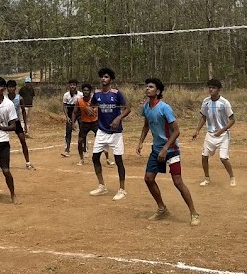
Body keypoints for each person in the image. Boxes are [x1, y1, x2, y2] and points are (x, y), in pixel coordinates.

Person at [136, 78, 200, 225]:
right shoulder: (146, 107)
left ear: (158, 91)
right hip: (156, 150)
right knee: (148, 179)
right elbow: (146, 125)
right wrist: (140, 142)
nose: (147, 89)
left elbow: (177, 131)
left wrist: (165, 149)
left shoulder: (165, 108)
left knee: (177, 182)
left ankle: (194, 213)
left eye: (151, 87)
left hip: (171, 150)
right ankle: (162, 208)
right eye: (146, 86)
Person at [89, 67, 131, 200]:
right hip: (101, 131)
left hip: (115, 133)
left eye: (106, 77)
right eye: (102, 76)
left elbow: (127, 108)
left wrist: (119, 118)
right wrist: (90, 110)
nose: (103, 79)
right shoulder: (96, 94)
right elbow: (92, 105)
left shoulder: (117, 93)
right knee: (95, 158)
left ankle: (122, 189)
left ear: (111, 79)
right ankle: (102, 186)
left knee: (118, 160)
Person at [192, 78, 236, 187]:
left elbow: (232, 120)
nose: (211, 90)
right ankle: (207, 178)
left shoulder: (225, 103)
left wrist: (222, 129)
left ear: (219, 89)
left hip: (223, 135)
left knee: (223, 158)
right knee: (204, 156)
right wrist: (197, 130)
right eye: (210, 87)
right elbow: (203, 117)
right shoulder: (205, 102)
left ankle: (232, 177)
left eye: (214, 88)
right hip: (210, 134)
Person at [71, 83, 113, 167]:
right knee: (80, 141)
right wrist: (73, 123)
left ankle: (107, 159)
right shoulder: (79, 101)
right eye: (84, 90)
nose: (85, 92)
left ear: (90, 92)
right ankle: (81, 159)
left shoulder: (95, 99)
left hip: (95, 122)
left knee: (103, 140)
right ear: (82, 91)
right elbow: (74, 112)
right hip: (84, 123)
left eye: (87, 90)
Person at [6, 79, 35, 170]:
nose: (11, 89)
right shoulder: (4, 98)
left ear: (15, 88)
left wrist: (25, 124)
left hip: (16, 122)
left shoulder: (19, 98)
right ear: (7, 88)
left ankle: (28, 162)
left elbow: (23, 112)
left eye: (13, 87)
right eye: (9, 87)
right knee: (2, 143)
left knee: (23, 141)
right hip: (6, 122)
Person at [61, 79, 79, 157]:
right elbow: (64, 106)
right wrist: (67, 117)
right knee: (68, 132)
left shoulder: (80, 95)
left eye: (74, 85)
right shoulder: (66, 95)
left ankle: (84, 150)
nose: (72, 86)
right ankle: (67, 149)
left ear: (76, 86)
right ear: (69, 86)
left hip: (79, 114)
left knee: (83, 131)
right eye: (71, 85)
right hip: (69, 114)